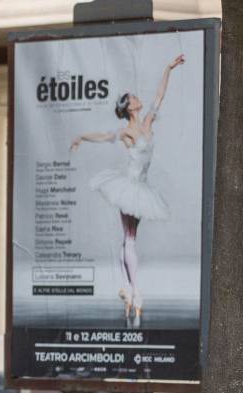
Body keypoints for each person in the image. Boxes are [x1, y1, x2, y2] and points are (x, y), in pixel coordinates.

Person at [70, 53, 185, 327]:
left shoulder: (147, 123)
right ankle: (136, 293)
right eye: (133, 98)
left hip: (141, 189)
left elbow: (160, 95)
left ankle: (127, 289)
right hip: (128, 187)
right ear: (129, 107)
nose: (137, 98)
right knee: (130, 239)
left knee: (129, 238)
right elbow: (104, 136)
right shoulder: (128, 132)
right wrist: (81, 137)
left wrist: (168, 68)